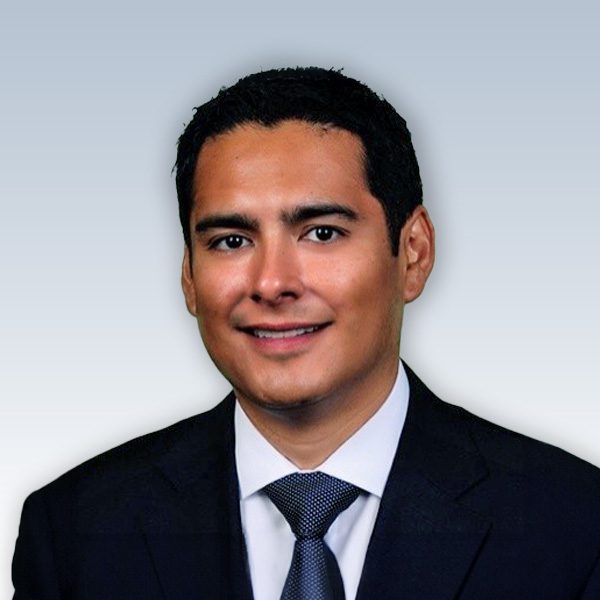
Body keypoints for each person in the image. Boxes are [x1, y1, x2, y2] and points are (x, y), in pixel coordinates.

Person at [12, 67, 600, 600]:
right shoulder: (73, 532)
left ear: (413, 253)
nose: (271, 283)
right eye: (231, 241)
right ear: (189, 276)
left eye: (321, 233)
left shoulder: (574, 526)